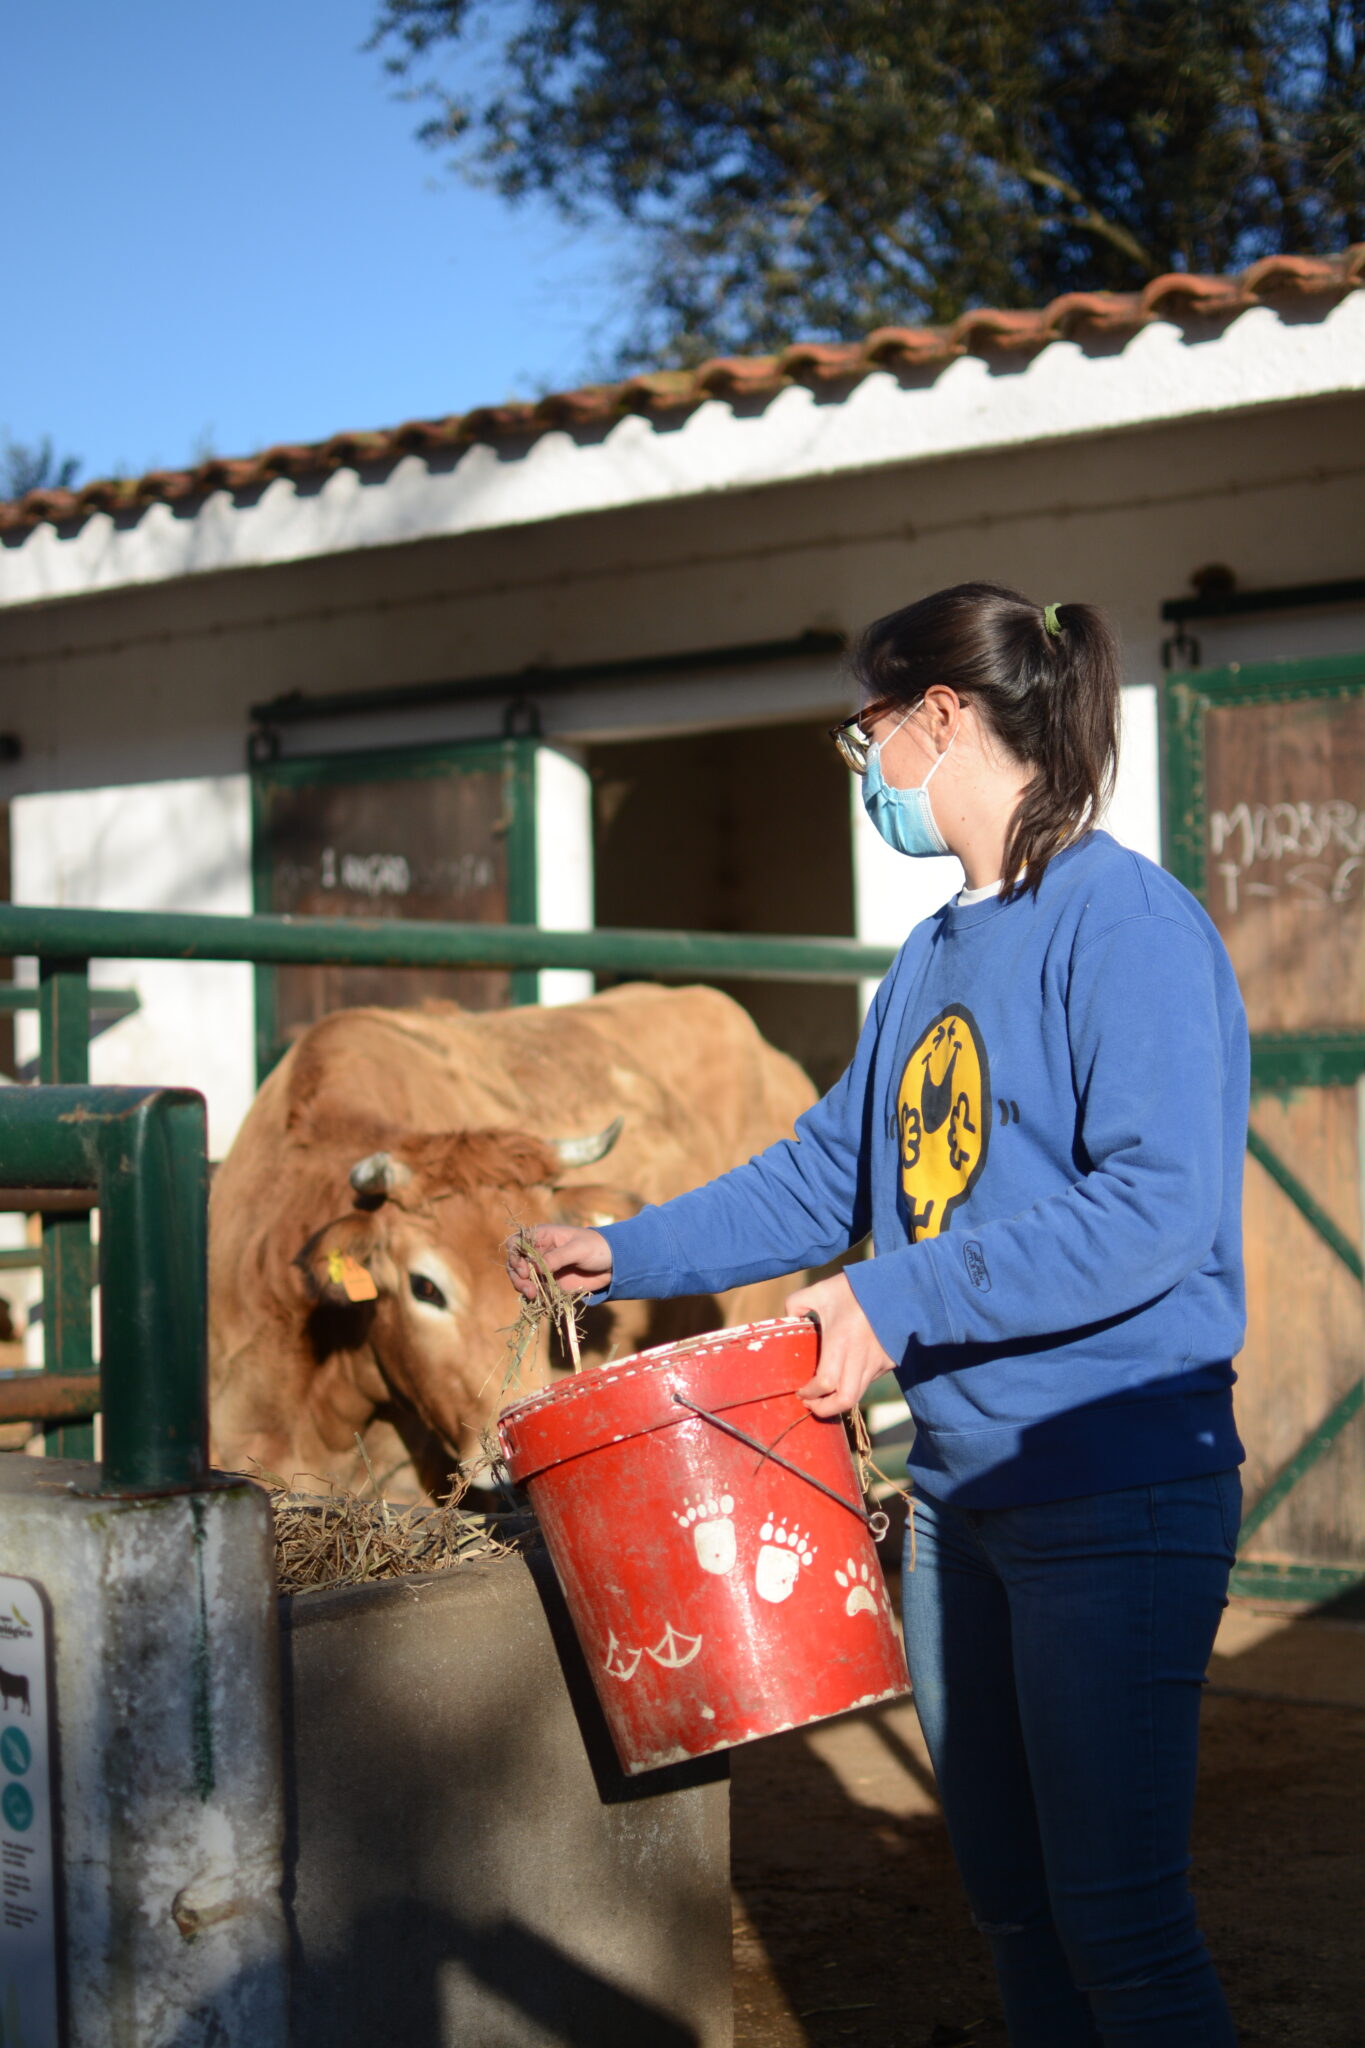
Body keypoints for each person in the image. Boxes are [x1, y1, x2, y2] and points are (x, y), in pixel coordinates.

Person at [507, 581, 1246, 2048]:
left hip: (1114, 1486)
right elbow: (828, 1171)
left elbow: (1155, 1208)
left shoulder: (1128, 928)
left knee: (1118, 1920)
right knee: (1015, 1907)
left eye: (864, 736)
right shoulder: (932, 955)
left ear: (940, 717)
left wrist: (892, 1294)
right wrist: (625, 1248)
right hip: (961, 1500)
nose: (862, 774)